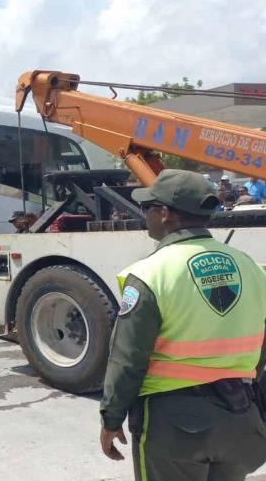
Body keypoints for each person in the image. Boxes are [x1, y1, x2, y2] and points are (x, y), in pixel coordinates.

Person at [99, 169, 266, 480]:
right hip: (241, 418)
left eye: (148, 208)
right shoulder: (251, 268)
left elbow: (128, 359)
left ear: (165, 214)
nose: (144, 215)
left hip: (175, 427)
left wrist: (111, 418)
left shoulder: (151, 274)